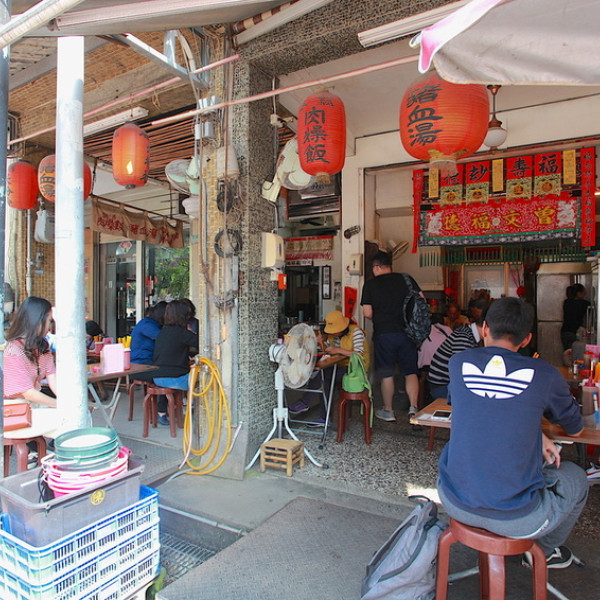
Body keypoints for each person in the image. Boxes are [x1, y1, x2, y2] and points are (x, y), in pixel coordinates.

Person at [438, 297, 588, 569]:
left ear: (485, 328)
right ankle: (543, 552)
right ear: (527, 338)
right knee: (576, 477)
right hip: (517, 518)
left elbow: (479, 407)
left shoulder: (458, 363)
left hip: (454, 501)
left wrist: (537, 434)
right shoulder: (544, 373)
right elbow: (575, 428)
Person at [360, 250, 423, 422]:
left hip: (384, 334)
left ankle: (388, 411)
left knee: (387, 374)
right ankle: (413, 408)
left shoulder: (370, 285)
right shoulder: (406, 279)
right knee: (410, 372)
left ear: (376, 267)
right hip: (408, 333)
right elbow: (421, 301)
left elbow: (367, 313)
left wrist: (382, 317)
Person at [288, 310, 370, 426]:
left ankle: (310, 406)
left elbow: (359, 354)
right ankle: (322, 416)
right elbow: (329, 350)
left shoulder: (356, 332)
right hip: (339, 366)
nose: (333, 333)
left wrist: (337, 350)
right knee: (324, 378)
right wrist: (321, 343)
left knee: (324, 376)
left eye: (335, 330)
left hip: (355, 370)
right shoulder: (333, 335)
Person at [134, 299, 198, 425]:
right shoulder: (182, 333)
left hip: (158, 378)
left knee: (168, 371)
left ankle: (164, 412)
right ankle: (195, 409)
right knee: (202, 377)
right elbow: (200, 342)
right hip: (177, 380)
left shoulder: (162, 333)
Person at [4, 296, 57, 408]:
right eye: (49, 321)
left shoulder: (43, 346)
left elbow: (53, 380)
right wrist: (63, 405)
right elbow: (28, 393)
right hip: (14, 407)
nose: (50, 326)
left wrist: (70, 402)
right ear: (37, 320)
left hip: (32, 403)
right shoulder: (14, 350)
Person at [427, 304, 488, 401]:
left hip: (449, 383)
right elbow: (462, 373)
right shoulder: (463, 337)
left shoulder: (470, 334)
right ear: (486, 327)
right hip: (442, 386)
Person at [417, 314, 451, 408]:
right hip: (441, 364)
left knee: (422, 379)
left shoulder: (424, 329)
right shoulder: (447, 329)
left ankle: (420, 405)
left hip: (426, 362)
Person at [561, 283, 590, 351]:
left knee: (567, 352)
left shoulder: (567, 302)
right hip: (574, 332)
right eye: (584, 292)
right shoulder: (584, 304)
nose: (585, 294)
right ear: (579, 293)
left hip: (565, 331)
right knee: (576, 353)